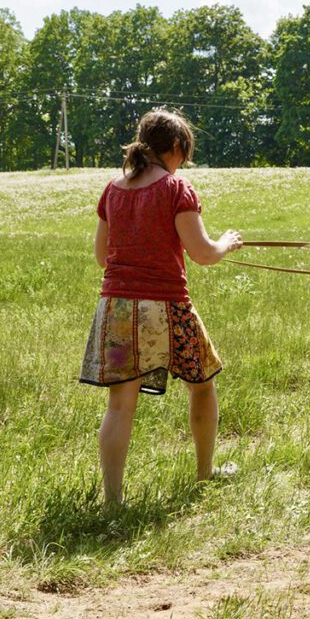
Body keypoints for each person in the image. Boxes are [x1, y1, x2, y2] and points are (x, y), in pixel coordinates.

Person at [79, 109, 243, 507]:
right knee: (202, 386)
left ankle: (113, 502)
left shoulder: (112, 190)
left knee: (120, 405)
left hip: (115, 309)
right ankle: (205, 475)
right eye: (183, 154)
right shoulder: (176, 188)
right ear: (173, 148)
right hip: (165, 308)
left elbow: (102, 257)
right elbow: (203, 254)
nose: (182, 163)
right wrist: (227, 242)